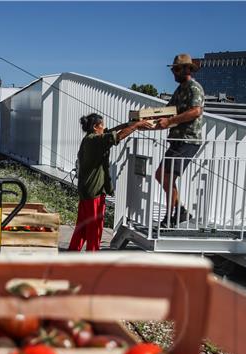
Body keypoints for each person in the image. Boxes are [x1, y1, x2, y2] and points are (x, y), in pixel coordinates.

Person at [68, 114, 152, 251]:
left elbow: (111, 131)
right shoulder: (95, 140)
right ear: (96, 127)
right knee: (95, 227)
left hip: (86, 190)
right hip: (94, 191)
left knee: (83, 225)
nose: (104, 127)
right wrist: (136, 126)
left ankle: (72, 252)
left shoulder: (90, 138)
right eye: (102, 125)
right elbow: (117, 137)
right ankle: (92, 257)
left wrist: (128, 124)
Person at [154, 53, 206, 227]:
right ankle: (180, 211)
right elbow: (168, 110)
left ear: (187, 69)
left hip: (188, 140)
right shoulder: (180, 89)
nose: (174, 73)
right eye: (173, 69)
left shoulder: (194, 87)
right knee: (161, 175)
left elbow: (196, 111)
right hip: (177, 140)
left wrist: (169, 122)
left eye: (176, 69)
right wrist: (146, 120)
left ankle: (171, 216)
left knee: (167, 176)